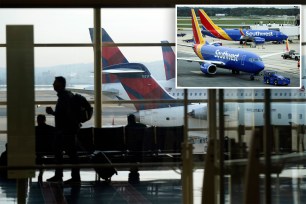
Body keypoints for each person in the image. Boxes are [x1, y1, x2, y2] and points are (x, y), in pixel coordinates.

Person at [46, 76, 81, 183]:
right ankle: (73, 177)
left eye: (55, 83)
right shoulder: (68, 95)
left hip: (64, 131)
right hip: (69, 130)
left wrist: (52, 113)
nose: (53, 84)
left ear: (60, 84)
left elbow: (63, 115)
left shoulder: (64, 97)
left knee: (62, 153)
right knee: (71, 154)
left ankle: (63, 176)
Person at [35, 114, 56, 182]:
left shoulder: (34, 129)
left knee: (38, 151)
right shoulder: (51, 129)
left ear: (37, 120)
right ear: (45, 120)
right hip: (50, 149)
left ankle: (40, 169)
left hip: (38, 149)